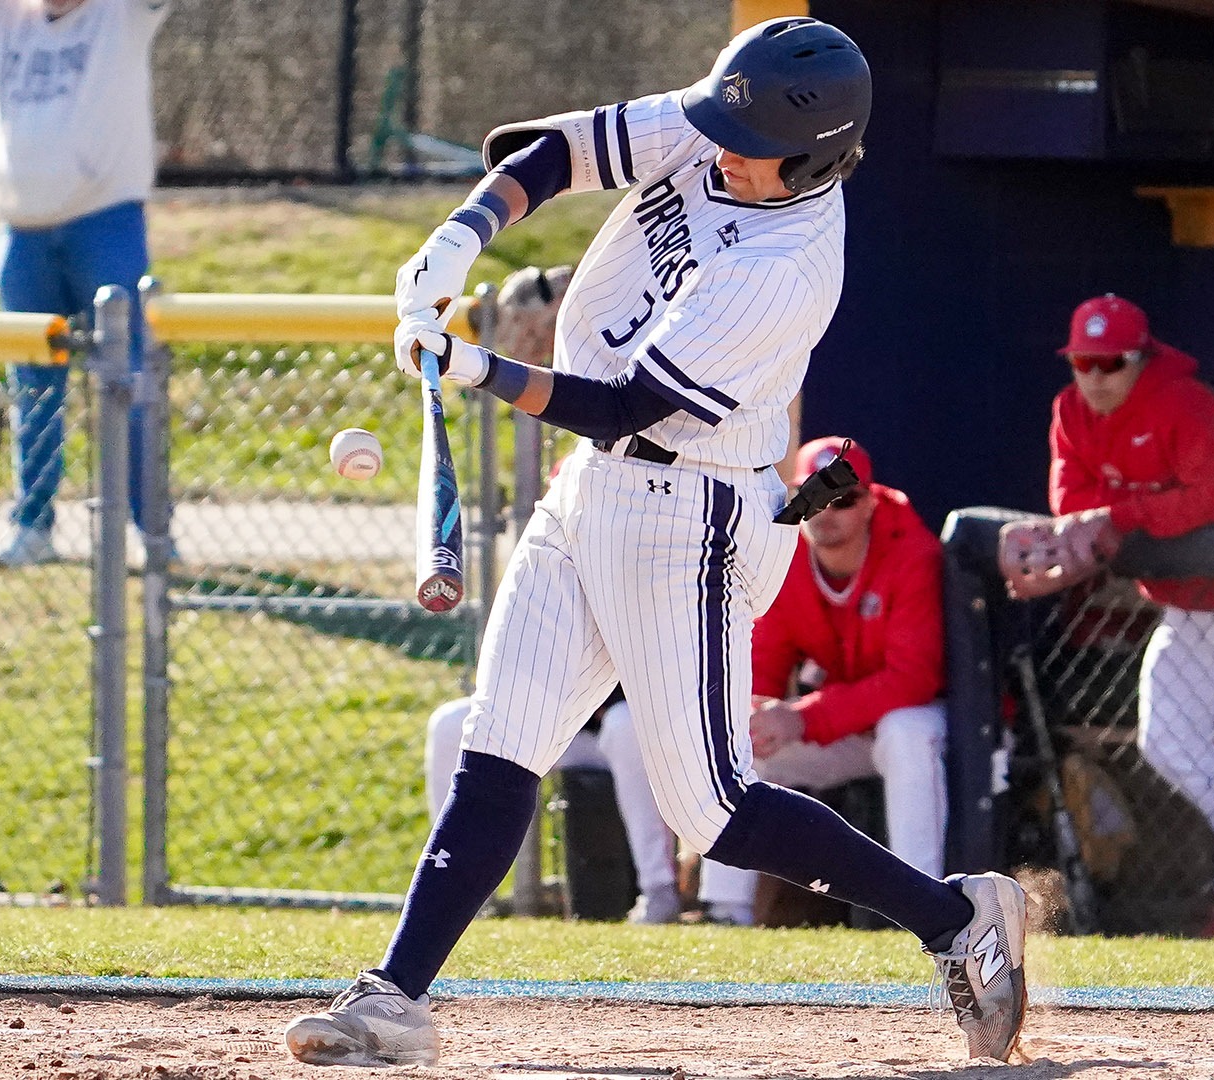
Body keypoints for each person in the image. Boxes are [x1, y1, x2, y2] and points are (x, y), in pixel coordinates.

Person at [284, 18, 1028, 1068]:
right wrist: (459, 237)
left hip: (693, 515)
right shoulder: (728, 119)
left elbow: (626, 405)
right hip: (593, 494)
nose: (718, 144)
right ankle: (390, 998)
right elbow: (557, 151)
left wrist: (477, 370)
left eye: (745, 137)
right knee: (501, 742)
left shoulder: (789, 265)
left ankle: (955, 919)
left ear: (814, 153)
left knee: (712, 809)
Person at [1005, 294, 1214, 940]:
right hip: (1185, 603)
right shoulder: (1070, 412)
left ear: (1140, 359)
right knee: (1163, 739)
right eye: (1083, 363)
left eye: (1110, 363)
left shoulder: (1184, 402)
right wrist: (1133, 510)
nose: (1095, 378)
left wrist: (1123, 514)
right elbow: (1068, 500)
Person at [0, 0, 171, 566]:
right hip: (23, 231)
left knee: (129, 379)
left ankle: (149, 530)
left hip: (106, 221)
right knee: (33, 387)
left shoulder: (123, 13)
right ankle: (32, 525)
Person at [697, 436, 949, 927]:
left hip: (928, 721)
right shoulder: (786, 556)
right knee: (743, 742)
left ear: (870, 501)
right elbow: (763, 663)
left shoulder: (912, 551)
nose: (826, 512)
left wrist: (803, 716)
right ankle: (723, 912)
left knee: (905, 733)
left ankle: (924, 907)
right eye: (814, 496)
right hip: (843, 726)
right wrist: (758, 712)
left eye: (844, 498)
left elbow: (913, 679)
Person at [424, 687, 683, 924]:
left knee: (624, 722)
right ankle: (456, 892)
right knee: (450, 723)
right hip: (553, 730)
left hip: (615, 730)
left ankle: (659, 890)